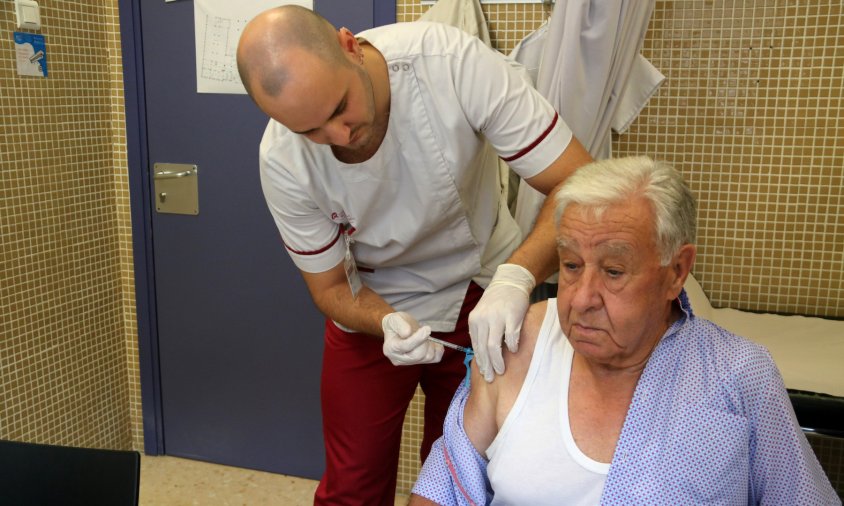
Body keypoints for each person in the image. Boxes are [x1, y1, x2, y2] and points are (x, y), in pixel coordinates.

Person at [235, 6, 592, 505]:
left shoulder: (450, 64)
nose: (339, 135)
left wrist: (518, 280)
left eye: (341, 108)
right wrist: (383, 322)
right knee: (352, 485)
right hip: (372, 302)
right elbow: (330, 288)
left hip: (482, 286)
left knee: (463, 471)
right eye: (311, 130)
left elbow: (578, 184)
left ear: (349, 45)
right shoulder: (282, 162)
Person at [410, 156, 840, 505]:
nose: (580, 299)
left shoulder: (736, 375)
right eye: (571, 266)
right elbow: (441, 487)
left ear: (676, 273)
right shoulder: (520, 344)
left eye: (614, 271)